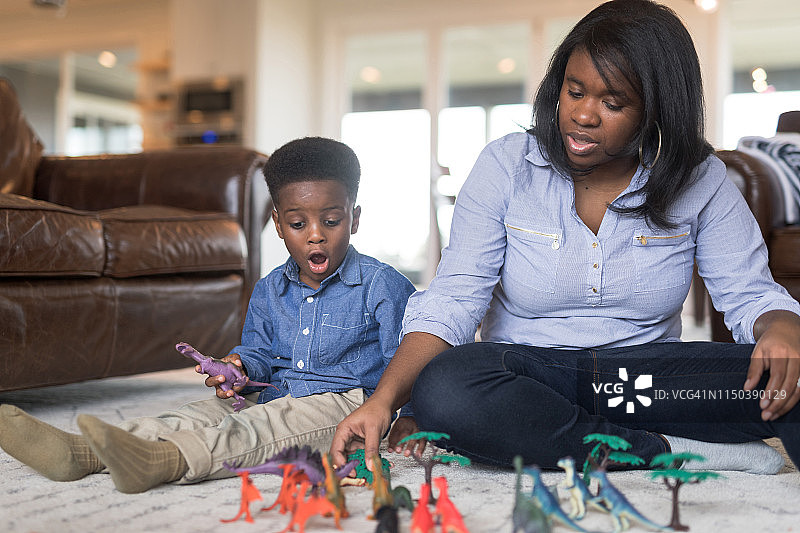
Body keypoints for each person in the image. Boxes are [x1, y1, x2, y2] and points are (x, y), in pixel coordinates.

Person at [331, 0, 800, 476]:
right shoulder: (506, 166)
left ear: (656, 111)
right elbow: (453, 301)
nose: (583, 115)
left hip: (646, 385)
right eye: (574, 92)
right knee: (446, 387)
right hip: (532, 384)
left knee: (796, 375)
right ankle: (659, 449)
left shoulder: (701, 178)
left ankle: (583, 441)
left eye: (612, 104)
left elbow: (750, 294)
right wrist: (386, 401)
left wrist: (781, 326)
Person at [0, 136, 417, 493]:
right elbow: (259, 352)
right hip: (274, 388)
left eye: (331, 220)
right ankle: (82, 453)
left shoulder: (382, 286)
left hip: (343, 406)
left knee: (258, 429)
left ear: (354, 220)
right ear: (276, 224)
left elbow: (410, 361)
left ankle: (165, 461)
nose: (314, 233)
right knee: (195, 414)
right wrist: (236, 365)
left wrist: (412, 416)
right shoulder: (271, 288)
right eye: (296, 222)